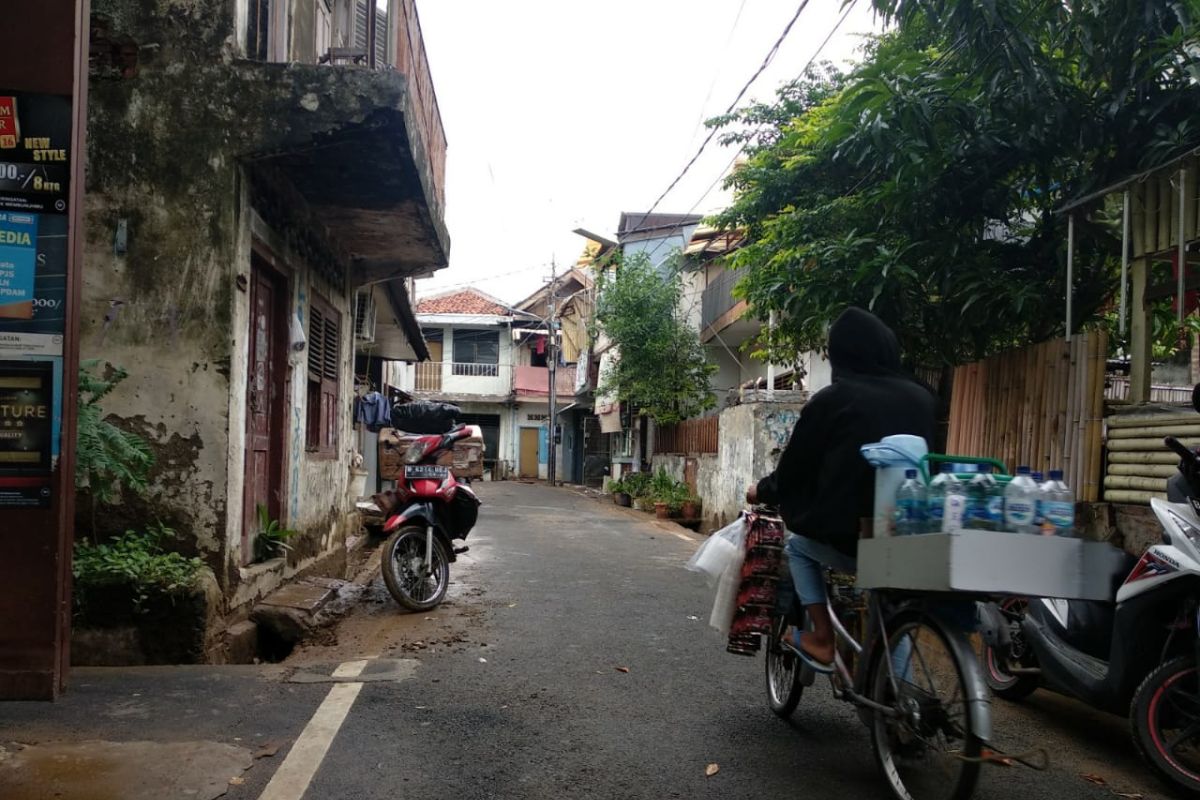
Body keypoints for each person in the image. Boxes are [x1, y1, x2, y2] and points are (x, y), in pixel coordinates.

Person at [746, 307, 935, 673]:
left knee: (798, 548)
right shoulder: (922, 398)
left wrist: (763, 490)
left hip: (853, 539)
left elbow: (794, 469)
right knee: (893, 605)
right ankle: (901, 700)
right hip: (913, 537)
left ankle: (820, 636)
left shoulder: (833, 400)